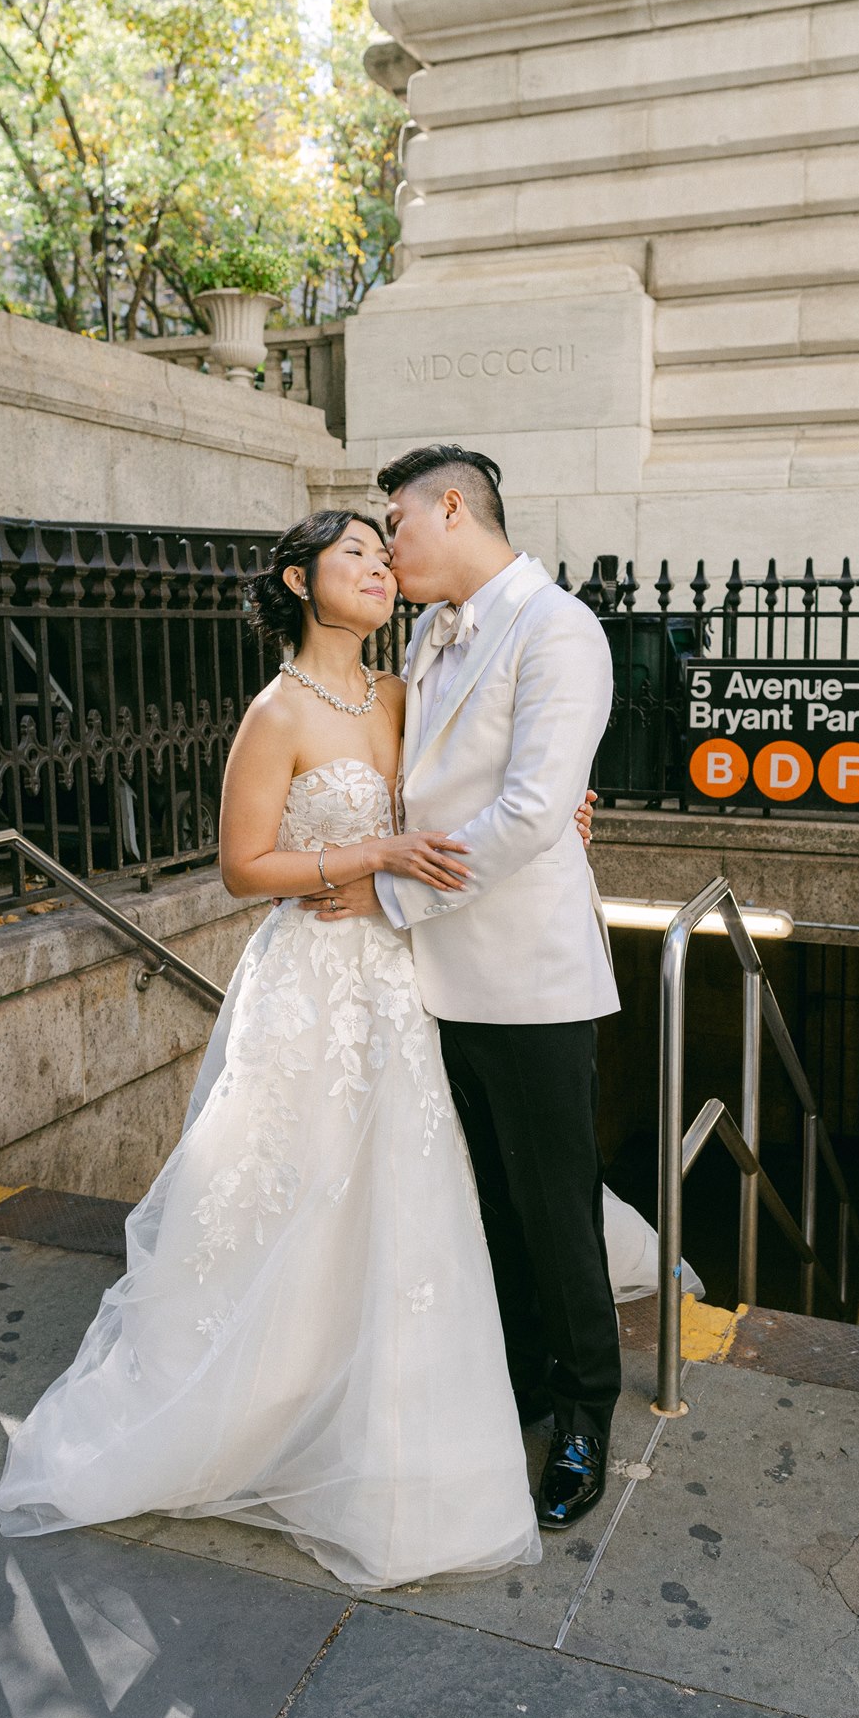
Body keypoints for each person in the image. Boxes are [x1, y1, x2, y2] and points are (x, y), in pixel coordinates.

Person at [0, 505, 680, 1586]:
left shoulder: (410, 692)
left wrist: (563, 809)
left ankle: (466, 1388)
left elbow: (483, 789)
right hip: (312, 986)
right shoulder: (276, 712)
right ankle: (276, 1387)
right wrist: (361, 860)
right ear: (298, 578)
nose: (376, 565)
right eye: (353, 552)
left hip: (412, 977)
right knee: (294, 1187)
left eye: (381, 547)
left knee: (419, 1191)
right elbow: (242, 867)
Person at [316, 445, 625, 1532]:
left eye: (395, 521)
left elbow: (538, 807)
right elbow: (431, 783)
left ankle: (586, 1410)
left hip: (530, 981)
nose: (389, 545)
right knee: (491, 1205)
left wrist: (387, 896)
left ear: (453, 506)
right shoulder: (431, 638)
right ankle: (528, 1381)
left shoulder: (558, 627)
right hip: (436, 984)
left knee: (556, 1209)